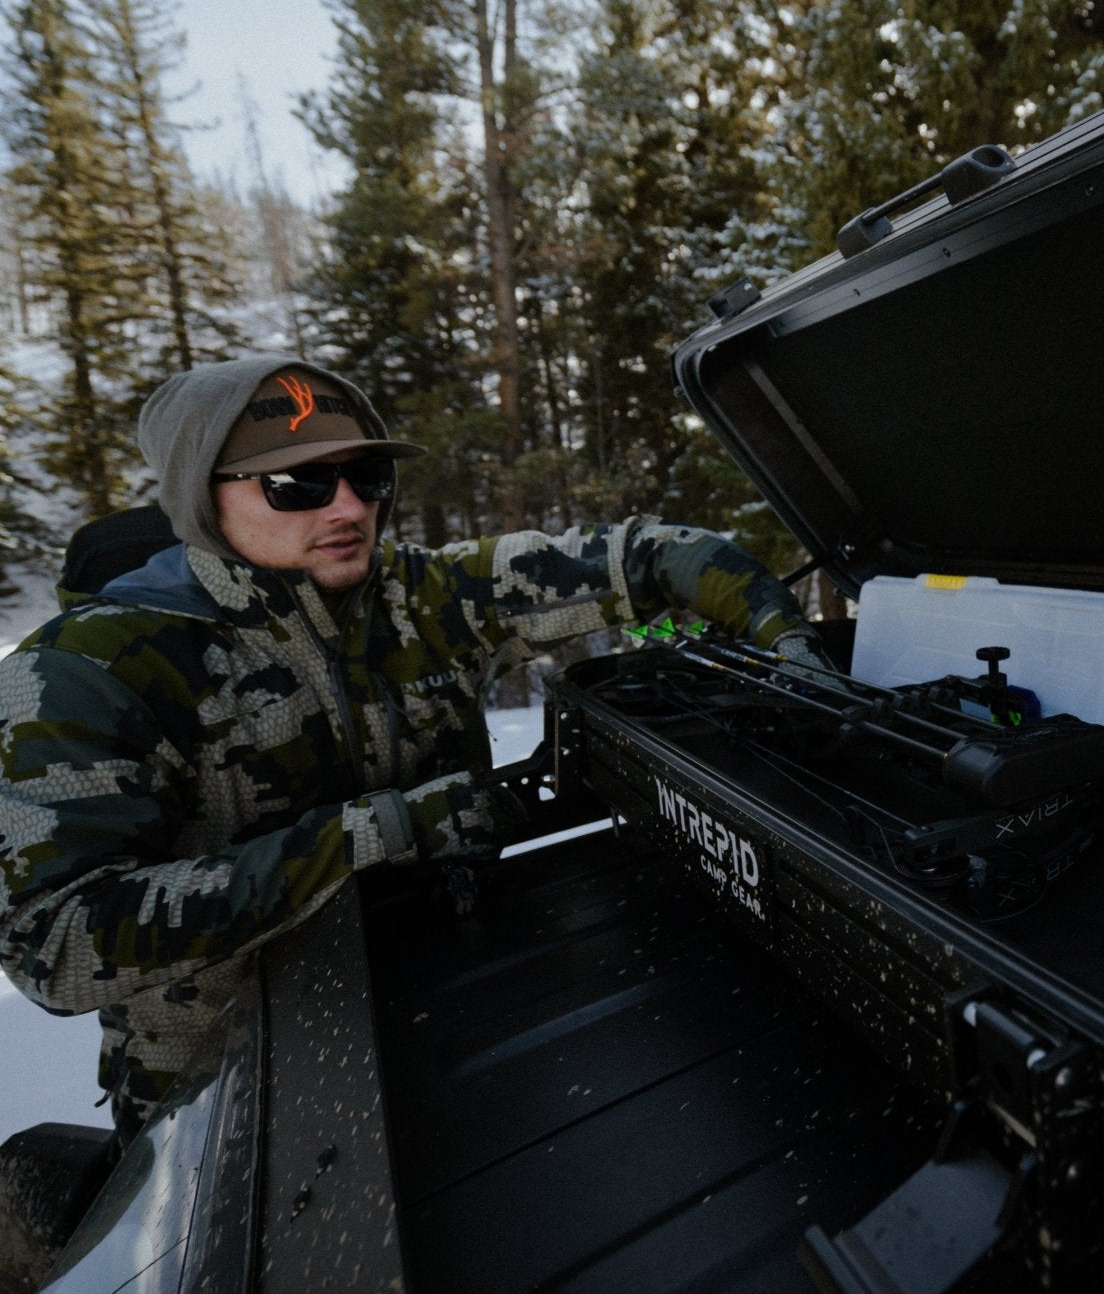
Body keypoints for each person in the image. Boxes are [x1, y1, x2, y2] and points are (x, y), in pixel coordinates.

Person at [0, 355, 831, 1143]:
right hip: (226, 1105)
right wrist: (376, 833)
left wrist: (783, 638)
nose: (350, 508)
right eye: (300, 483)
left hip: (458, 1012)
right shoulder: (88, 670)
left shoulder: (425, 596)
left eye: (368, 477)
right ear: (200, 498)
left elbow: (649, 558)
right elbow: (56, 941)